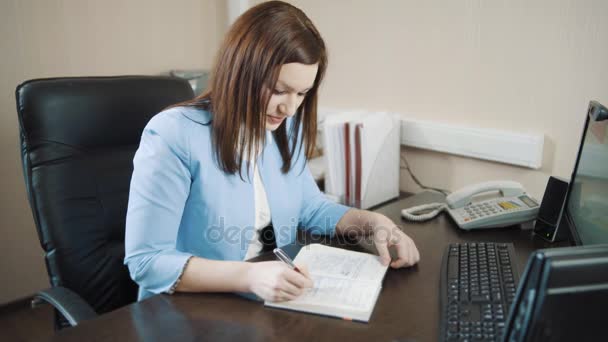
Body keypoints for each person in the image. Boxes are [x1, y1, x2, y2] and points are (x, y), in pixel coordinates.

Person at [124, 0, 420, 303]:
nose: (289, 108)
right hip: (188, 306)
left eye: (301, 93)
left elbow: (311, 208)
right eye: (278, 90)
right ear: (241, 73)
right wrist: (250, 275)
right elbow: (147, 261)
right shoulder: (174, 133)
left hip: (266, 294)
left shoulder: (281, 127)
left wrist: (370, 223)